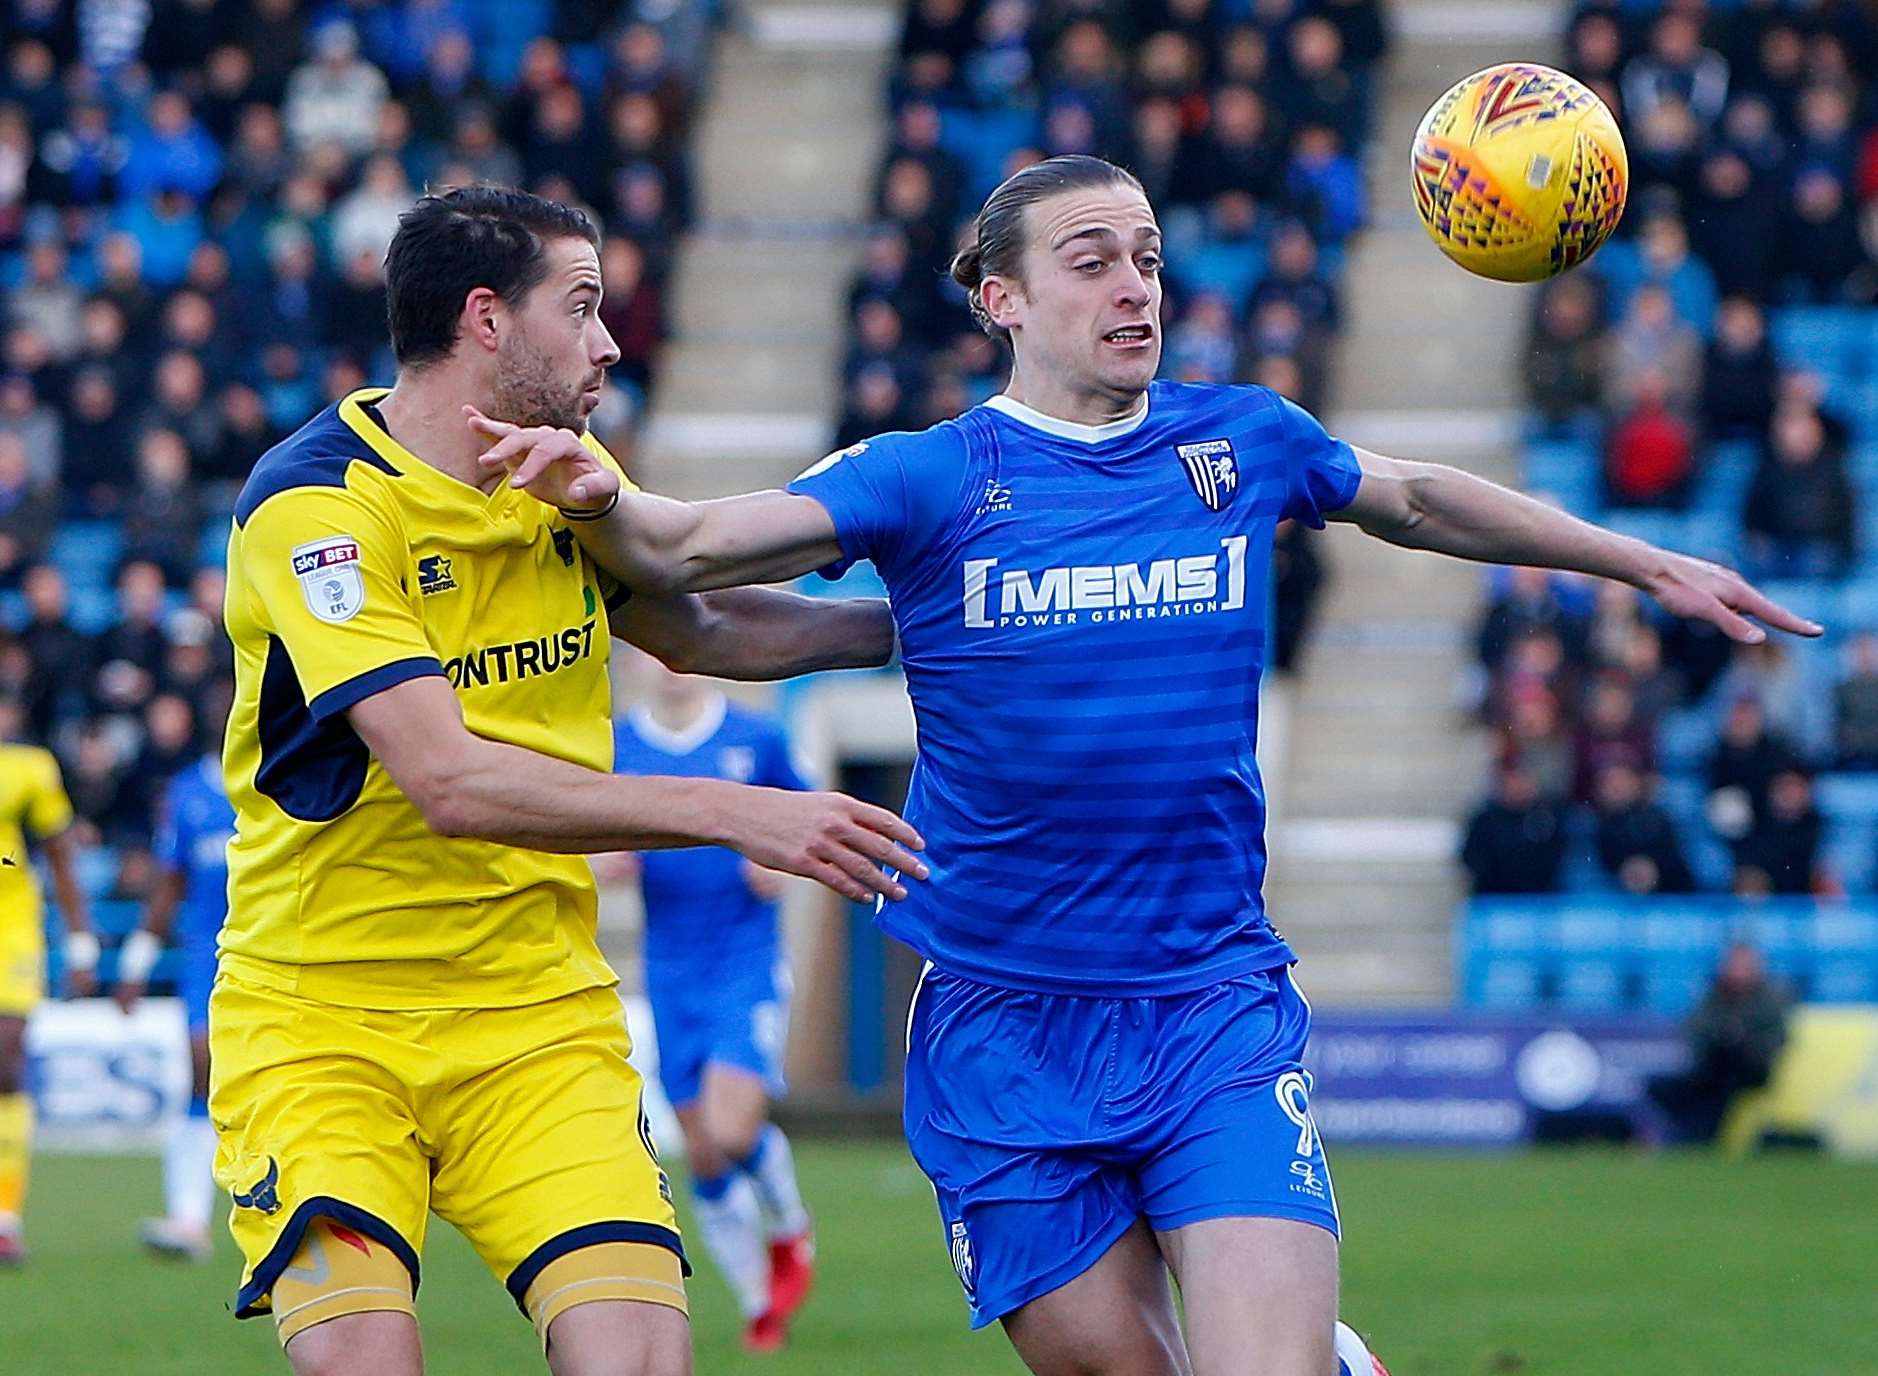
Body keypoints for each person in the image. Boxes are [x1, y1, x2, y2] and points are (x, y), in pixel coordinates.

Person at [478, 156, 1819, 1376]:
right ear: (1001, 298)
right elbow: (688, 555)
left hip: (1206, 1006)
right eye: (1093, 260)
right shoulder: (925, 477)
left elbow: (1410, 496)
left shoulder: (1239, 441)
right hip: (1001, 1027)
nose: (1135, 289)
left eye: (1148, 258)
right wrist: (597, 495)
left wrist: (1638, 558)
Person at [210, 185, 926, 1376]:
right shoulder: (316, 508)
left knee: (642, 1354)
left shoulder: (566, 473)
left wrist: (932, 623)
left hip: (536, 1018)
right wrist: (731, 810)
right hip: (320, 1020)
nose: (608, 342)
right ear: (486, 319)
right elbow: (450, 779)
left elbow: (702, 631)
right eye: (583, 308)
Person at [607, 661, 816, 1353]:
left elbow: (809, 815)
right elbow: (593, 830)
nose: (670, 667)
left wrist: (782, 864)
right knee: (701, 1151)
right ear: (635, 661)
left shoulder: (754, 739)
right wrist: (605, 851)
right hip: (670, 969)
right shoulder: (619, 749)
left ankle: (789, 1221)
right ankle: (762, 1302)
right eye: (654, 652)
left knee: (729, 1129)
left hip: (744, 962)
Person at [114, 682, 236, 1263]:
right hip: (207, 958)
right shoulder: (188, 794)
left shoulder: (277, 777)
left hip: (282, 950)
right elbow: (169, 882)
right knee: (200, 1065)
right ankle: (189, 1219)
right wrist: (137, 961)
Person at [0, 693, 96, 1265]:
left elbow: (61, 853)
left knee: (6, 1060)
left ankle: (5, 1215)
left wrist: (80, 941)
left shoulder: (29, 768)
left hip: (11, 934)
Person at [1646, 942, 1790, 1145]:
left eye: (1744, 965)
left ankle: (1698, 1137)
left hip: (1749, 1068)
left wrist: (1744, 1042)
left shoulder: (1769, 999)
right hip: (1712, 1065)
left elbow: (1777, 1039)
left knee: (1723, 1080)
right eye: (1735, 964)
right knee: (1665, 1088)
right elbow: (1695, 1029)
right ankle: (1686, 1135)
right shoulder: (1713, 995)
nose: (1738, 971)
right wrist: (1721, 1036)